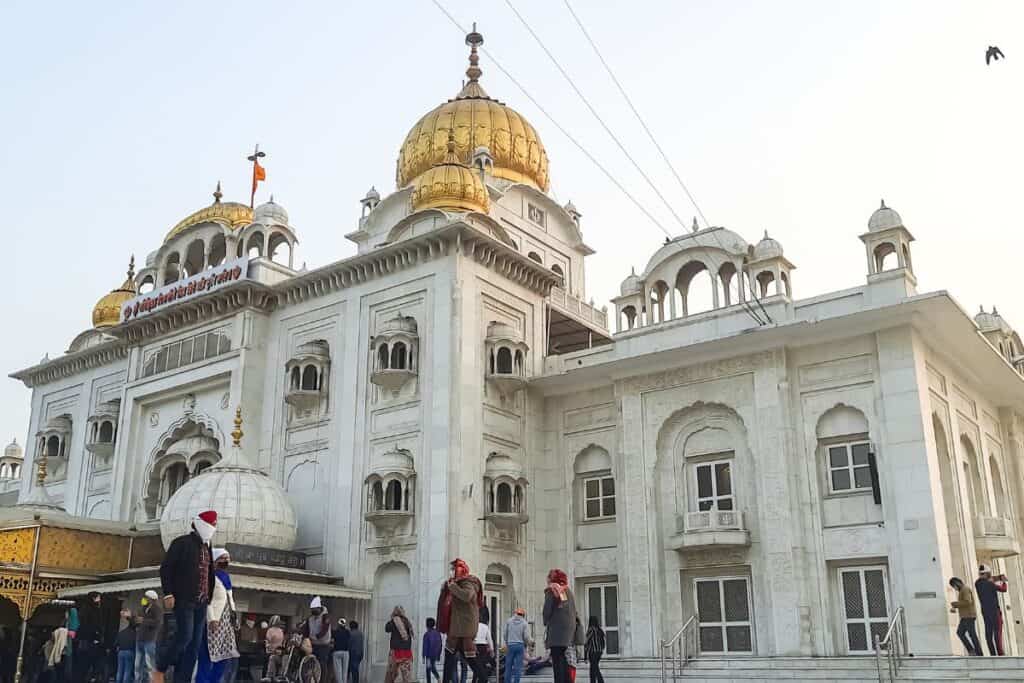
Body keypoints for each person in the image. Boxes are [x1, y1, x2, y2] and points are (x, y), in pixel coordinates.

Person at [158, 510, 218, 683]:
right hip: (185, 599)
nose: (214, 528)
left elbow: (209, 573)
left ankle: (182, 679)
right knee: (184, 636)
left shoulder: (207, 547)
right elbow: (166, 568)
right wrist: (168, 592)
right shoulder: (182, 543)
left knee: (194, 646)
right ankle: (161, 666)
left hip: (201, 601)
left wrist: (209, 597)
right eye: (212, 525)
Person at [437, 559, 486, 683]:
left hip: (464, 629)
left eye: (453, 569)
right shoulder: (456, 583)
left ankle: (484, 679)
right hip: (456, 629)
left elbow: (467, 596)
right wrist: (446, 588)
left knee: (471, 659)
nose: (451, 571)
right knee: (449, 657)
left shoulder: (469, 583)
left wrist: (452, 587)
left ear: (460, 570)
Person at [196, 548, 239, 683]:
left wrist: (235, 617)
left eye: (228, 559)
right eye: (223, 558)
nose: (226, 561)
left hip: (226, 624)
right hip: (213, 622)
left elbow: (230, 599)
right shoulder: (209, 577)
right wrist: (212, 618)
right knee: (207, 656)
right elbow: (207, 599)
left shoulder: (226, 577)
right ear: (215, 560)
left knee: (224, 656)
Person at [542, 569, 578, 683]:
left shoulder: (552, 589)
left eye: (548, 578)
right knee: (564, 662)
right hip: (568, 633)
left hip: (556, 634)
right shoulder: (568, 591)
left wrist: (545, 620)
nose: (547, 580)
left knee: (557, 663)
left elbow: (547, 611)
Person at [975, 564, 1008, 656]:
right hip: (995, 611)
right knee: (997, 632)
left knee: (988, 634)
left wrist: (997, 577)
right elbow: (1003, 589)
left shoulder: (977, 583)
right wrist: (1003, 581)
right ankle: (1000, 653)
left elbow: (988, 579)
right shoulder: (990, 584)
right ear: (987, 574)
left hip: (985, 612)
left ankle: (992, 654)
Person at [75, 592, 104, 683]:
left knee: (82, 666)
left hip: (83, 641)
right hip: (90, 641)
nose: (99, 600)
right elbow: (93, 625)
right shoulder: (93, 610)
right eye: (98, 598)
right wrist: (96, 637)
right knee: (89, 664)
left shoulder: (84, 609)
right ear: (93, 598)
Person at [949, 577, 983, 655]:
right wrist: (956, 606)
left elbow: (968, 601)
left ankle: (978, 652)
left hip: (969, 616)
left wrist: (956, 604)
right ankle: (972, 651)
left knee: (971, 634)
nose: (954, 588)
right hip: (965, 616)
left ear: (957, 583)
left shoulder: (965, 589)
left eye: (954, 586)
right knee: (961, 633)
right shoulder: (962, 590)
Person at [135, 591, 163, 683]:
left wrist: (143, 621)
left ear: (151, 599)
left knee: (150, 665)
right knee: (138, 665)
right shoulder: (143, 608)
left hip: (149, 640)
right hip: (140, 639)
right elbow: (137, 621)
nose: (144, 599)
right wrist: (129, 617)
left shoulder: (157, 609)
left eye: (146, 597)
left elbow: (157, 623)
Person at [302, 598, 332, 681]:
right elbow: (306, 630)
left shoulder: (325, 617)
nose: (312, 611)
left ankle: (322, 681)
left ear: (319, 608)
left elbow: (324, 629)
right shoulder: (310, 618)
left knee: (322, 663)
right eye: (312, 609)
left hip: (324, 645)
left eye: (314, 609)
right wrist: (304, 637)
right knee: (310, 663)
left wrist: (316, 636)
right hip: (313, 644)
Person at [383, 606, 413, 683]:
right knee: (406, 674)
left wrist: (392, 618)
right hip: (407, 651)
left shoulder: (394, 621)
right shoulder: (407, 621)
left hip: (396, 651)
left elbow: (387, 628)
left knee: (392, 672)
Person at [503, 608, 531, 683]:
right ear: (523, 615)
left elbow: (505, 634)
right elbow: (526, 637)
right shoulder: (525, 623)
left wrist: (507, 642)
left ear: (515, 613)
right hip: (519, 646)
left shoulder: (509, 621)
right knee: (518, 668)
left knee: (508, 667)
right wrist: (530, 643)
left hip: (510, 645)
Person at [471, 611, 493, 683]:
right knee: (482, 664)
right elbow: (489, 639)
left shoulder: (473, 625)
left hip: (475, 646)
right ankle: (482, 679)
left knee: (476, 665)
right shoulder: (485, 627)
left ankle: (475, 680)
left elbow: (471, 637)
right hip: (483, 647)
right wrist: (492, 650)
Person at [583, 616, 605, 683]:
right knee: (593, 668)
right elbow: (603, 641)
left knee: (594, 668)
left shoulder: (591, 630)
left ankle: (600, 681)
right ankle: (593, 681)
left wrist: (585, 656)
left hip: (593, 652)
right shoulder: (599, 630)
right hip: (599, 652)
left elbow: (586, 642)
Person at [115, 614, 136, 683]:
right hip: (130, 652)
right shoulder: (135, 633)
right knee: (127, 671)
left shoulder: (121, 632)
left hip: (120, 652)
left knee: (119, 670)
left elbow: (116, 643)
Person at [422, 618, 442, 683]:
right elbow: (440, 644)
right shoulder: (438, 633)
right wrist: (439, 654)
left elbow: (425, 646)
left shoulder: (426, 634)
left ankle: (435, 679)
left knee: (428, 669)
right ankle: (438, 678)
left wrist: (423, 656)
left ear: (426, 625)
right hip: (435, 654)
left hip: (428, 656)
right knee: (432, 667)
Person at [331, 618, 350, 683]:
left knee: (338, 671)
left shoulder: (335, 632)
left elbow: (332, 641)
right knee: (345, 671)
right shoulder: (347, 632)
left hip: (337, 651)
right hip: (345, 652)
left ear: (338, 624)